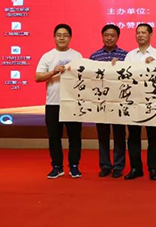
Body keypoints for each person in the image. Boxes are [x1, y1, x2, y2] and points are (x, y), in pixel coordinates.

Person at [35, 24, 83, 179]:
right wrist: (53, 72)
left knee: (74, 137)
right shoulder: (47, 56)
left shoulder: (77, 56)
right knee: (54, 137)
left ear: (70, 37)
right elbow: (37, 77)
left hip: (72, 102)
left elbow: (84, 77)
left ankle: (74, 166)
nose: (62, 38)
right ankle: (57, 167)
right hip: (53, 103)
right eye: (59, 35)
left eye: (65, 35)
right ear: (54, 37)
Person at [121, 23, 156, 181]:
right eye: (138, 32)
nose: (140, 35)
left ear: (150, 35)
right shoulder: (130, 55)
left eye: (143, 32)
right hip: (133, 100)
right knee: (133, 135)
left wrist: (155, 64)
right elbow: (124, 75)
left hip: (152, 101)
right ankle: (136, 168)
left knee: (153, 136)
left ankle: (153, 168)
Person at [90, 24, 128, 178]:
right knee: (103, 135)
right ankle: (105, 165)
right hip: (101, 102)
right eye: (106, 35)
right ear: (102, 36)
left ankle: (118, 166)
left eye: (112, 35)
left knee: (119, 135)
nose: (109, 38)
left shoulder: (125, 56)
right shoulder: (95, 56)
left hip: (119, 101)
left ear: (118, 37)